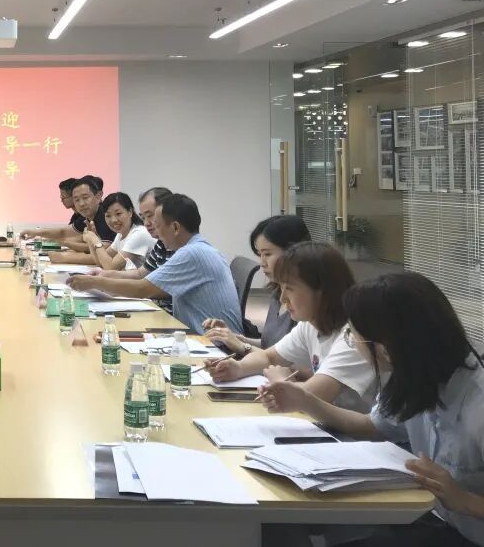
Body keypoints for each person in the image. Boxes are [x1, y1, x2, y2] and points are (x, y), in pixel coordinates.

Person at [260, 272, 484, 547]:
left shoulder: (477, 404)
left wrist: (465, 500)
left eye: (353, 336)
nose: (352, 343)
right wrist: (304, 401)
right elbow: (371, 426)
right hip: (438, 520)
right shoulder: (415, 377)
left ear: (386, 348)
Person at [207, 241, 378, 412]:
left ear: (322, 291)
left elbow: (313, 396)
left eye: (289, 288)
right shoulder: (311, 324)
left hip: (353, 428)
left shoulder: (354, 336)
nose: (282, 298)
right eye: (281, 288)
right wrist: (238, 368)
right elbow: (269, 357)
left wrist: (281, 380)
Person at [73, 193, 241, 333]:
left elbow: (143, 288)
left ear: (175, 228)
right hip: (198, 334)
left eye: (158, 225)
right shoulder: (195, 247)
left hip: (215, 345)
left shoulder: (192, 253)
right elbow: (141, 275)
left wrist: (95, 282)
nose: (154, 230)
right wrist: (103, 277)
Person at [203, 215, 309, 354]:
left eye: (268, 254)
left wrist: (243, 347)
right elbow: (269, 345)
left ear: (293, 252)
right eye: (260, 255)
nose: (262, 263)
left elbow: (289, 362)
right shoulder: (277, 293)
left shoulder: (306, 303)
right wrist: (232, 338)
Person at [51, 192, 154, 268]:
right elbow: (99, 261)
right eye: (108, 216)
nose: (113, 220)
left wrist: (95, 240)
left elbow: (110, 267)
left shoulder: (138, 234)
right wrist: (91, 241)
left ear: (130, 212)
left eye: (118, 214)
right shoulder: (121, 234)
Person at [22, 175, 114, 245]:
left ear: (98, 196)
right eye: (77, 199)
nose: (81, 204)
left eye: (85, 197)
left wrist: (63, 257)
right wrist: (36, 232)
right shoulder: (86, 217)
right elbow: (64, 232)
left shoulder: (105, 216)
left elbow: (104, 255)